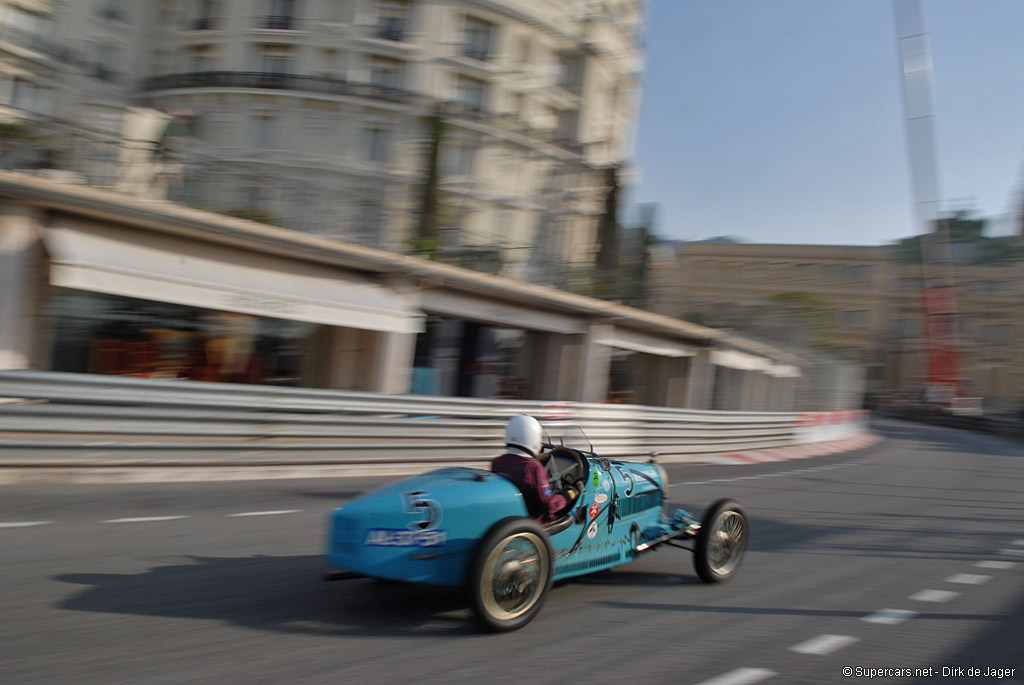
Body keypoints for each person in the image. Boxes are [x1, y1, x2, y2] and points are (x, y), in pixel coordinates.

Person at [491, 414, 579, 522]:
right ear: (533, 438)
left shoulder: (498, 462)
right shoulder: (534, 468)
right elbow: (549, 505)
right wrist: (570, 493)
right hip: (535, 524)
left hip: (509, 519)